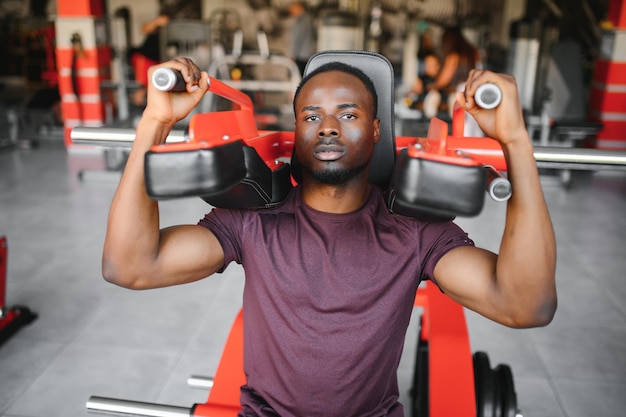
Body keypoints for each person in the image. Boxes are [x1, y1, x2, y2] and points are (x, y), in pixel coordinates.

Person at [102, 56, 557, 416]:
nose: (328, 126)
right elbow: (131, 266)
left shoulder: (417, 233)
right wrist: (154, 124)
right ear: (298, 132)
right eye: (312, 115)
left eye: (349, 113)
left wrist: (515, 142)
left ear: (377, 130)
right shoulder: (252, 221)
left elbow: (524, 305)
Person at [129, 0, 202, 106]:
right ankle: (141, 111)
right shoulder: (164, 18)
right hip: (147, 56)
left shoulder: (188, 22)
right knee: (144, 87)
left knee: (160, 85)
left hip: (164, 58)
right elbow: (144, 29)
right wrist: (157, 22)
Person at [288, 0, 316, 75]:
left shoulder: (302, 21)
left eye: (292, 9)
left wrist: (293, 54)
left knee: (298, 77)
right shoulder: (308, 19)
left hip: (302, 56)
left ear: (298, 8)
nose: (290, 11)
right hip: (306, 54)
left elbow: (298, 39)